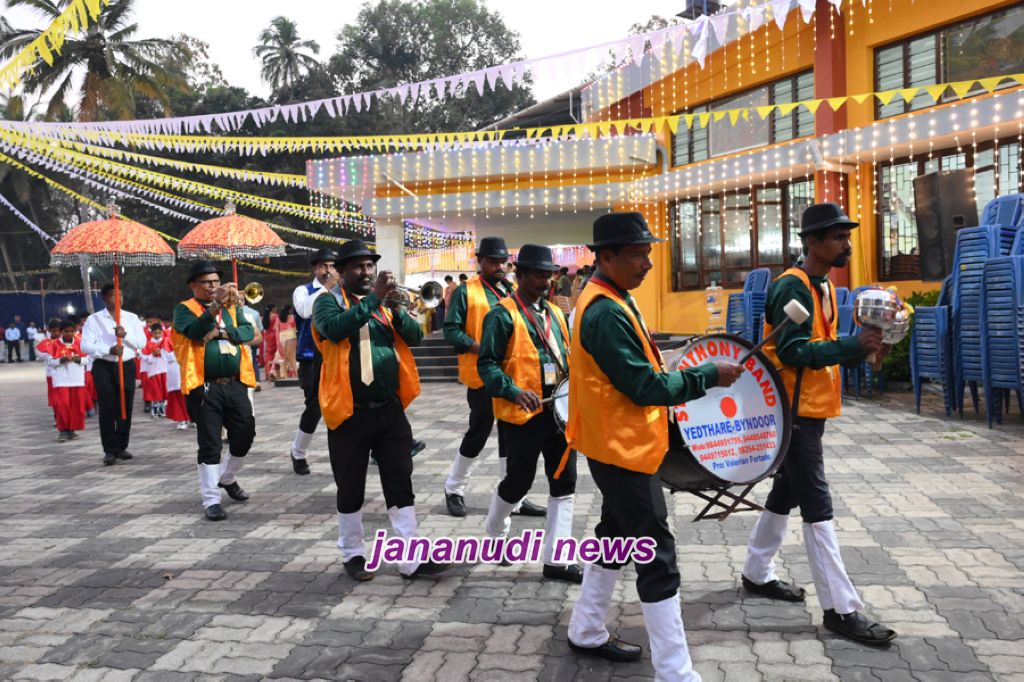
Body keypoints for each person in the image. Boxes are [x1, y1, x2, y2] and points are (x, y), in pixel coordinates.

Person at [562, 212, 742, 679]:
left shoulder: (612, 299)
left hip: (619, 446)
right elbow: (644, 387)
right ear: (607, 257)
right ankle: (674, 671)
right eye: (638, 254)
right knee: (657, 555)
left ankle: (586, 628)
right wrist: (707, 375)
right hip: (621, 452)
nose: (648, 263)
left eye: (648, 253)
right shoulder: (604, 311)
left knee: (616, 538)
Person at [740, 203, 896, 646]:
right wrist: (852, 346)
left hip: (809, 408)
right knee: (816, 502)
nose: (846, 244)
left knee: (787, 492)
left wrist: (862, 349)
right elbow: (792, 352)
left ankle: (756, 571)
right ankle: (841, 609)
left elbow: (822, 347)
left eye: (847, 237)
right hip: (792, 411)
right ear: (812, 241)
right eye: (838, 237)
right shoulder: (792, 286)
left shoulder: (822, 285)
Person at [312, 239, 447, 581]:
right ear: (341, 271)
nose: (366, 271)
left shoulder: (385, 304)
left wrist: (398, 309)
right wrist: (374, 299)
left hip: (389, 410)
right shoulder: (326, 303)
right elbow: (335, 329)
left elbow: (414, 337)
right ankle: (353, 553)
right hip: (348, 413)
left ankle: (410, 558)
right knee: (350, 487)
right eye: (358, 266)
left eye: (370, 265)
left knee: (400, 482)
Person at [479, 244, 582, 584]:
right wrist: (513, 391)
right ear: (519, 274)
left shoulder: (555, 313)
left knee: (565, 481)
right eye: (538, 274)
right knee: (518, 483)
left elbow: (567, 357)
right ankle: (495, 532)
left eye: (548, 274)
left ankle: (557, 560)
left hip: (558, 411)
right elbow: (487, 365)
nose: (545, 280)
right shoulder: (501, 315)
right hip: (522, 415)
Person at [442, 237, 545, 519]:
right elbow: (451, 330)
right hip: (482, 376)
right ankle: (454, 488)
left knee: (510, 437)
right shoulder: (466, 291)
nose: (499, 266)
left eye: (502, 261)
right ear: (480, 261)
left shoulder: (512, 290)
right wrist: (480, 347)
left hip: (512, 378)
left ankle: (512, 497)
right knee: (479, 432)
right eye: (493, 261)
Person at [172, 261, 257, 522]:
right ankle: (211, 500)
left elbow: (247, 332)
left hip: (235, 383)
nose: (213, 286)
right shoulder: (183, 309)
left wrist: (221, 332)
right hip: (204, 385)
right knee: (210, 441)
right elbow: (195, 332)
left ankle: (227, 477)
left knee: (245, 433)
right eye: (207, 282)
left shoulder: (232, 307)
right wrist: (215, 307)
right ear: (193, 285)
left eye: (216, 281)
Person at [82, 284, 148, 466]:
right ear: (104, 298)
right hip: (103, 366)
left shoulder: (131, 318)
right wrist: (108, 350)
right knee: (107, 406)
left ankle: (121, 445)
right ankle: (109, 449)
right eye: (113, 295)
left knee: (125, 405)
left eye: (120, 295)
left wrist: (125, 335)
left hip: (126, 365)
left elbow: (141, 343)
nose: (118, 299)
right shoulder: (94, 320)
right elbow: (85, 346)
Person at [288, 249, 338, 475]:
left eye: (332, 266)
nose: (328, 270)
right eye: (323, 266)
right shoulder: (303, 291)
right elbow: (305, 311)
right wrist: (327, 288)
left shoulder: (340, 290)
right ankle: (298, 452)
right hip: (310, 358)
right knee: (314, 407)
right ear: (314, 269)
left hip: (335, 355)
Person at [49, 318, 88, 442]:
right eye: (66, 331)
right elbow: (50, 361)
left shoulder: (80, 343)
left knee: (76, 407)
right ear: (61, 332)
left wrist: (77, 359)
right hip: (61, 380)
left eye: (72, 331)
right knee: (63, 406)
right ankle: (63, 430)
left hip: (77, 379)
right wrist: (62, 360)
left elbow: (88, 359)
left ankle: (72, 430)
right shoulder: (54, 344)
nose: (69, 333)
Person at [141, 323, 169, 418]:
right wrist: (153, 355)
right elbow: (144, 357)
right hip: (154, 371)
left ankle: (162, 410)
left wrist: (161, 353)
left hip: (164, 370)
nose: (157, 335)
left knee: (164, 391)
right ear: (151, 333)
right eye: (155, 333)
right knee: (156, 391)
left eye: (159, 332)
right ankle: (155, 411)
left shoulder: (166, 342)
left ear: (162, 332)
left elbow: (170, 355)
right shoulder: (148, 344)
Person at [277, 306, 298, 379]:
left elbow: (277, 329)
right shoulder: (292, 317)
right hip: (291, 335)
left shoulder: (279, 318)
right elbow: (296, 327)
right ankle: (297, 374)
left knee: (284, 357)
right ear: (289, 310)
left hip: (281, 336)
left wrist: (278, 342)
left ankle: (285, 376)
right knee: (292, 356)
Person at [262, 304, 280, 381]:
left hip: (267, 336)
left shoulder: (265, 316)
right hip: (274, 336)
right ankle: (275, 373)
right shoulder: (275, 316)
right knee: (277, 354)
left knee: (269, 354)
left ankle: (268, 373)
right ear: (272, 308)